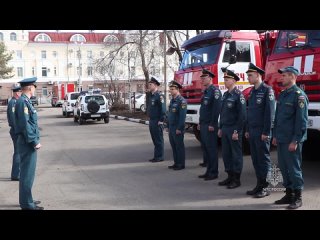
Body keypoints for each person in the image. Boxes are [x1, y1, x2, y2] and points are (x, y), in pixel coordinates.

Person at [272, 66, 308, 209]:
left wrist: (295, 140)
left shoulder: (299, 95)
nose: (282, 78)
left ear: (293, 77)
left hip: (292, 140)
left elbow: (301, 122)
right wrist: (275, 135)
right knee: (283, 167)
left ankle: (298, 197)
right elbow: (279, 117)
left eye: (285, 76)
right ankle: (289, 194)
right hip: (281, 138)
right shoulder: (283, 94)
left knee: (294, 169)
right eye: (282, 76)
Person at [245, 63, 276, 198]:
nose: (248, 78)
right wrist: (247, 129)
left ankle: (266, 187)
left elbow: (269, 114)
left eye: (250, 75)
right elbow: (249, 112)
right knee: (256, 159)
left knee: (264, 159)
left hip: (262, 132)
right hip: (252, 131)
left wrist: (266, 132)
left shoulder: (267, 90)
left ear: (258, 75)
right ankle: (259, 184)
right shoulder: (252, 91)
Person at [15, 77, 43, 210]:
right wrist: (34, 141)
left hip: (27, 142)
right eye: (34, 87)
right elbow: (25, 125)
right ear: (31, 88)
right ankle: (27, 204)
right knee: (27, 175)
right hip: (27, 143)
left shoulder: (25, 101)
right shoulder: (22, 102)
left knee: (28, 174)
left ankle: (28, 200)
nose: (34, 89)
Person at [218, 69, 246, 189]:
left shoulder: (239, 96)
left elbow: (242, 116)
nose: (225, 81)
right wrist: (220, 127)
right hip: (225, 129)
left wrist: (237, 131)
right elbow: (223, 113)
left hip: (234, 130)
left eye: (227, 79)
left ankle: (236, 179)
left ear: (234, 80)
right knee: (226, 154)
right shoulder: (225, 95)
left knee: (236, 154)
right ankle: (229, 176)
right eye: (224, 79)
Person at [197, 69, 222, 180]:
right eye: (201, 78)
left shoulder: (215, 91)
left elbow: (216, 110)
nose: (202, 80)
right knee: (206, 149)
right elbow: (203, 109)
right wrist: (200, 122)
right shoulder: (206, 91)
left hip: (210, 125)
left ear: (210, 78)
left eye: (204, 78)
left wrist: (212, 123)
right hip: (204, 124)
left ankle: (213, 172)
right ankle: (208, 171)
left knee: (211, 149)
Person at [166, 81, 187, 170]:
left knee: (179, 146)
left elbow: (182, 117)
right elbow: (169, 114)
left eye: (172, 89)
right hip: (171, 127)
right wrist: (167, 126)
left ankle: (181, 164)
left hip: (177, 128)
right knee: (174, 146)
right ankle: (176, 162)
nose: (170, 91)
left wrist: (179, 128)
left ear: (177, 90)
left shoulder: (181, 101)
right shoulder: (172, 100)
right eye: (170, 89)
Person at [146, 77, 166, 162]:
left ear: (155, 85)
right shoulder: (151, 95)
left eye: (150, 84)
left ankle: (160, 156)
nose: (149, 86)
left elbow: (163, 109)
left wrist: (161, 120)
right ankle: (156, 156)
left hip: (157, 121)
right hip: (152, 120)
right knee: (154, 139)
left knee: (158, 139)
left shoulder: (160, 96)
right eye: (149, 84)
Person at [7, 83, 22, 181]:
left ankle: (16, 173)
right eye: (20, 91)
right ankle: (16, 174)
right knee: (18, 152)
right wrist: (18, 131)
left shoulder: (15, 102)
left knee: (18, 152)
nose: (21, 93)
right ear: (16, 93)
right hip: (16, 131)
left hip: (16, 130)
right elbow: (13, 119)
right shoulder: (13, 103)